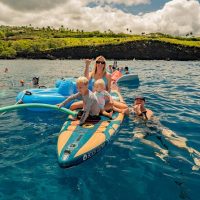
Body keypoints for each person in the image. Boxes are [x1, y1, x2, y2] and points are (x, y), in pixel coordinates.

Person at [127, 96, 200, 170]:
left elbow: (146, 120)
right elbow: (119, 107)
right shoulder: (130, 110)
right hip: (141, 128)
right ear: (134, 102)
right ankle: (161, 150)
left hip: (156, 126)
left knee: (170, 137)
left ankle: (192, 152)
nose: (139, 101)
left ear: (144, 103)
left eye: (141, 101)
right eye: (137, 100)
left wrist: (138, 112)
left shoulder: (148, 111)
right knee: (137, 138)